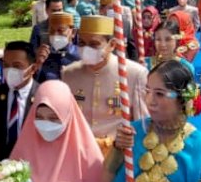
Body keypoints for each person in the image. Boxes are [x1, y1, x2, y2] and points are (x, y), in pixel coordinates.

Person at [61, 15, 150, 153]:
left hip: (117, 154)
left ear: (112, 45)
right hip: (78, 151)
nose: (86, 49)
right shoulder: (69, 73)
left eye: (94, 44)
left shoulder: (134, 74)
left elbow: (142, 123)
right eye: (82, 43)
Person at [0, 41, 38, 171]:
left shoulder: (42, 95)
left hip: (33, 170)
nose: (10, 70)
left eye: (17, 66)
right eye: (6, 65)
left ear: (33, 69)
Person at [34, 11, 80, 83]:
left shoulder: (81, 57)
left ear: (73, 32)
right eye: (52, 31)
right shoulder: (43, 56)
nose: (55, 35)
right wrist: (37, 65)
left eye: (60, 30)